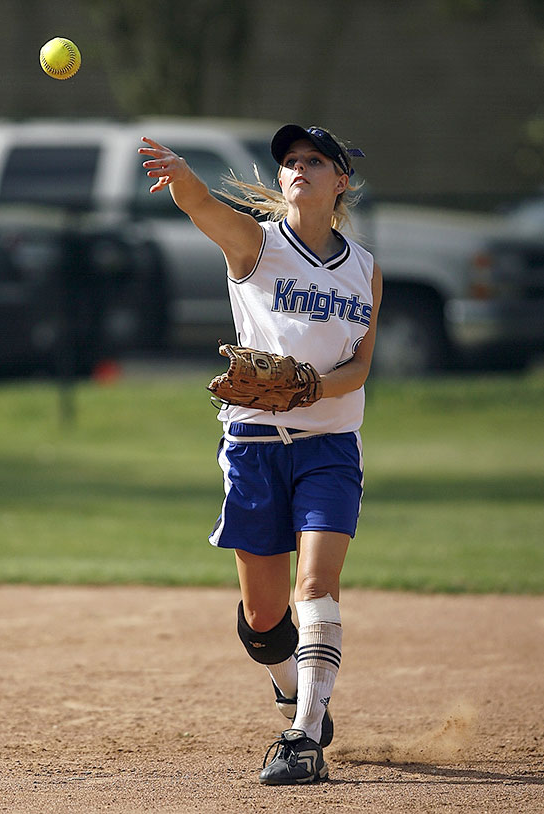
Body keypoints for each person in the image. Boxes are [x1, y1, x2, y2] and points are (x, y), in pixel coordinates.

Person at [139, 124, 382, 785]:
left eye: (315, 160)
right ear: (281, 181)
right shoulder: (258, 245)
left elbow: (359, 368)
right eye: (291, 161)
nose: (299, 167)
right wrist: (183, 178)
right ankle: (288, 685)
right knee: (265, 618)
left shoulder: (365, 270)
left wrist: (308, 387)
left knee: (316, 587)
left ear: (341, 181)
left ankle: (304, 735)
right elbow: (204, 210)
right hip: (253, 446)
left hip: (331, 444)